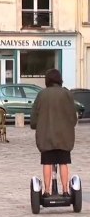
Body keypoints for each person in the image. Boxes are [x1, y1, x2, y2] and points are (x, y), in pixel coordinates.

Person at [30, 69, 77, 198]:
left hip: (46, 136)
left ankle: (46, 191)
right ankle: (66, 190)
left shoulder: (42, 94)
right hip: (64, 136)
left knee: (47, 162)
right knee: (63, 162)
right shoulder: (67, 94)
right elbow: (73, 117)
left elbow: (34, 115)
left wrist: (34, 125)